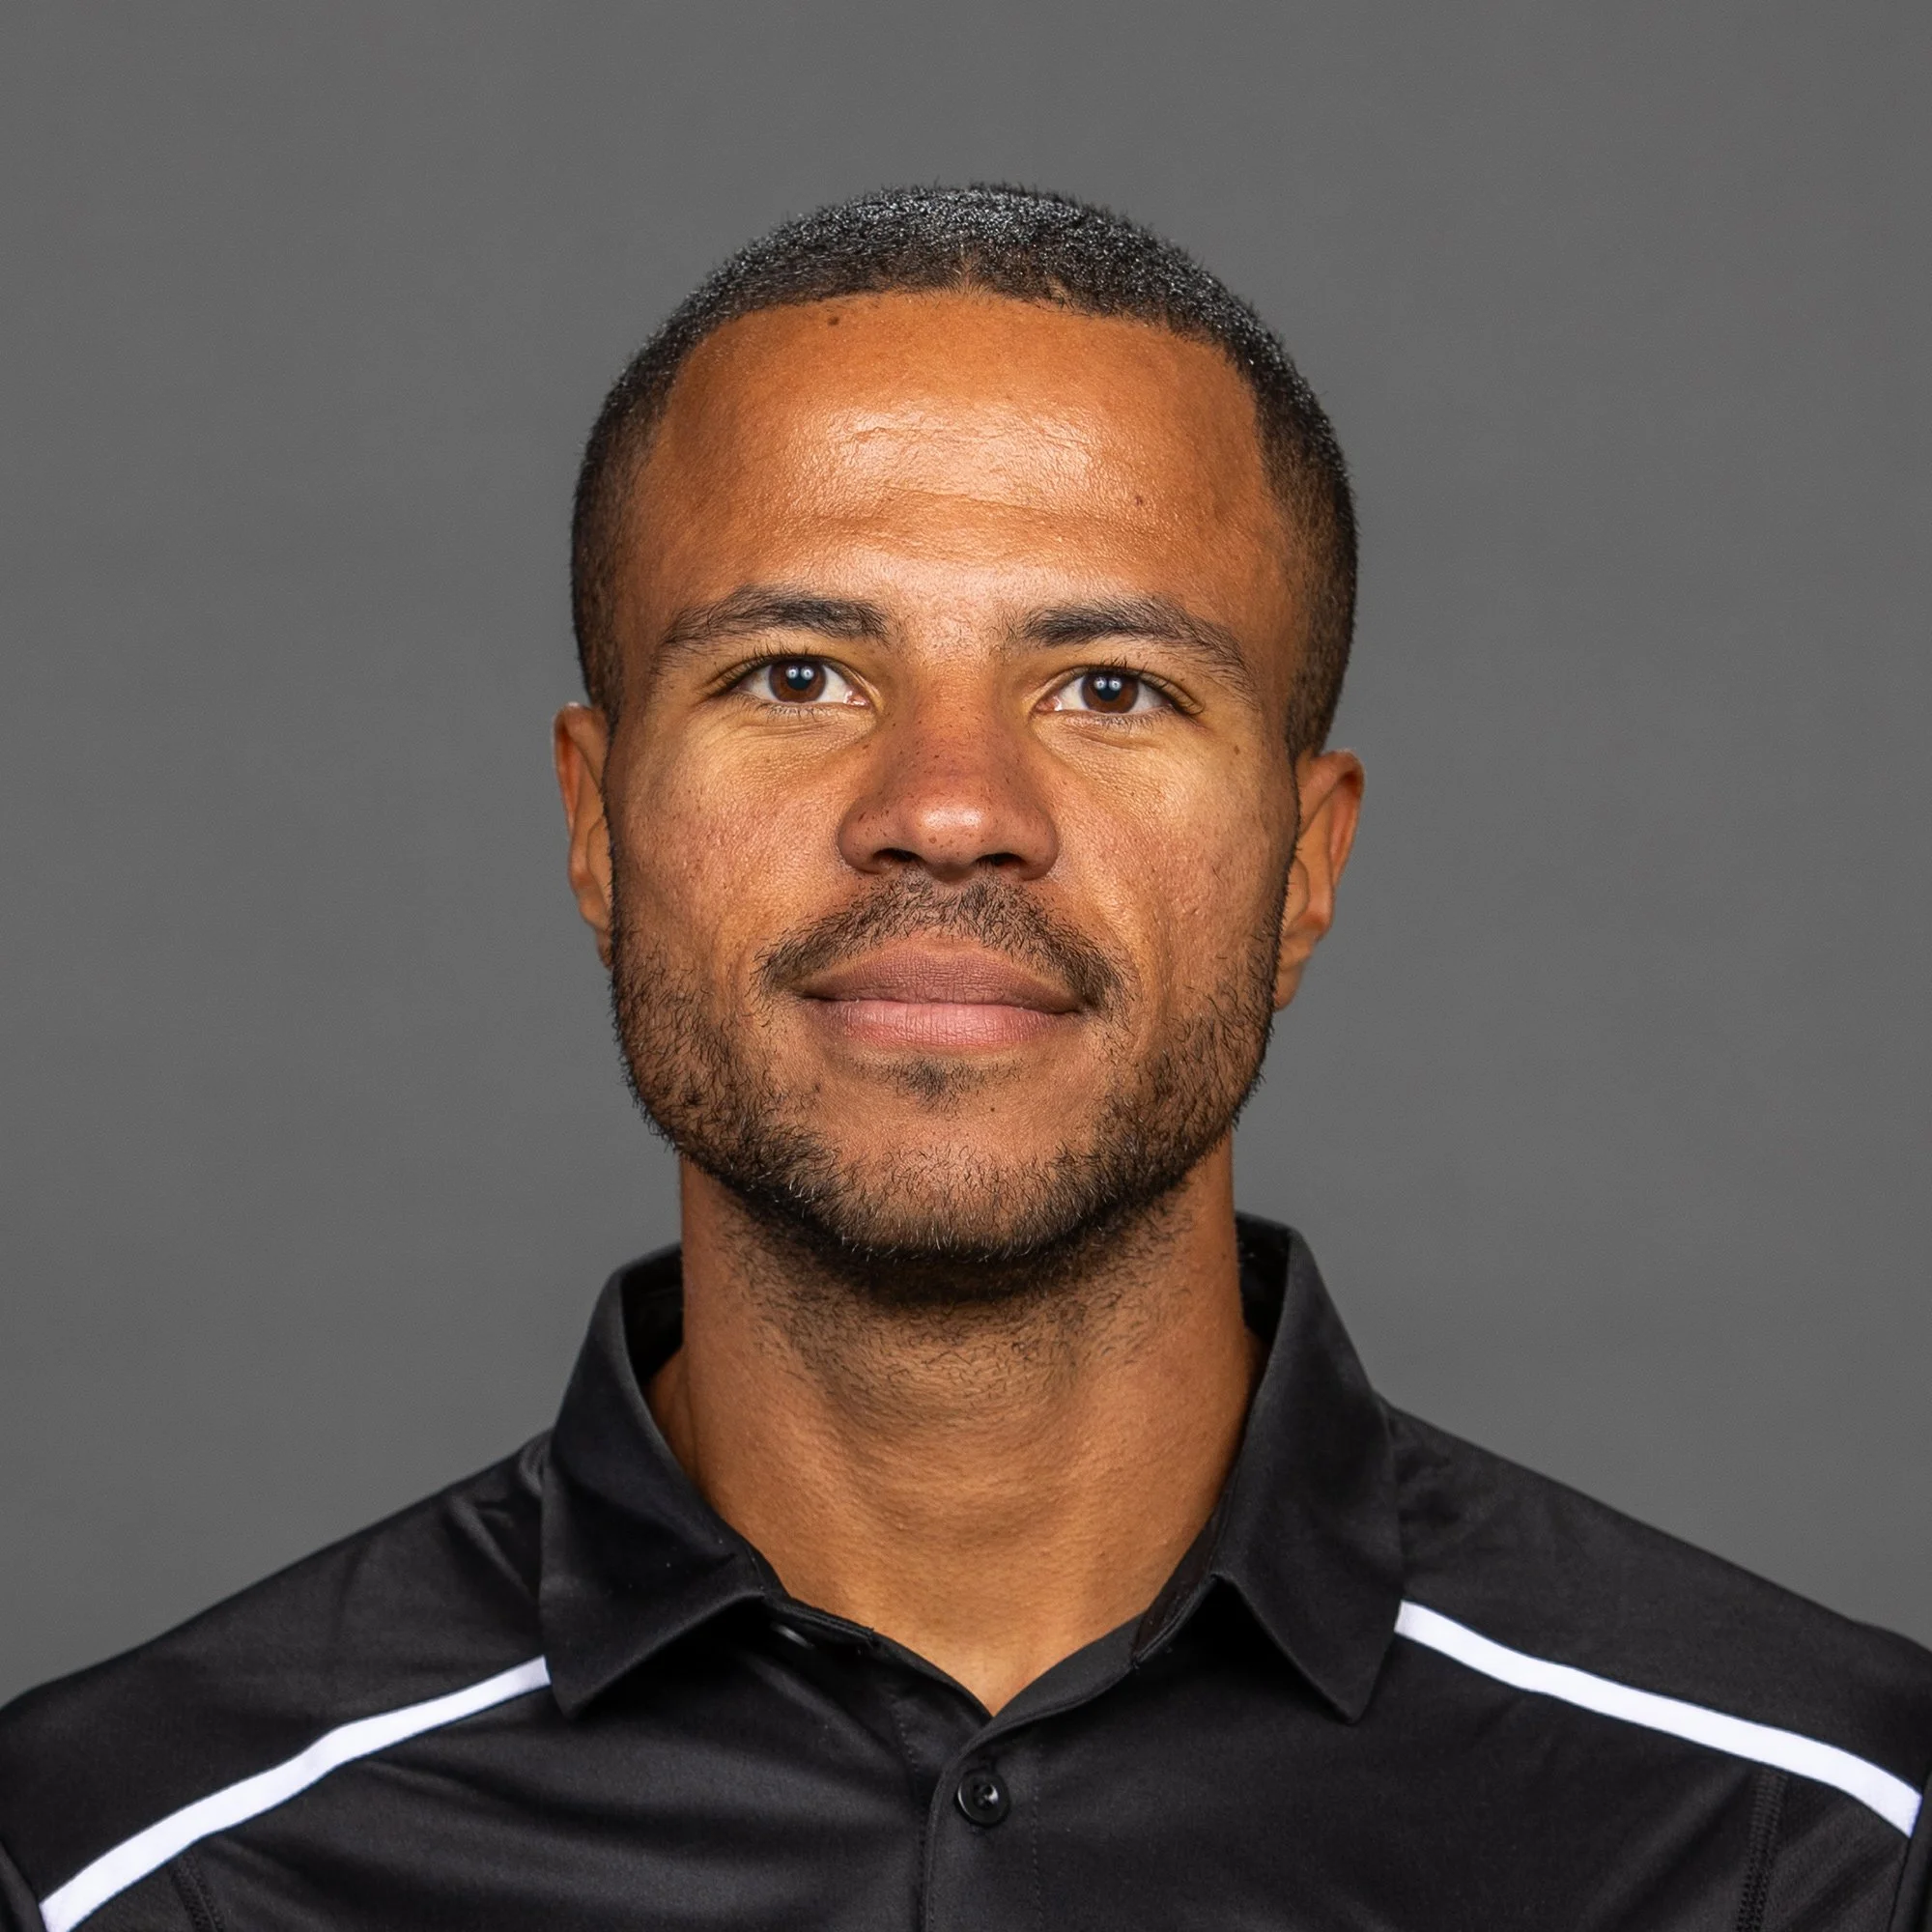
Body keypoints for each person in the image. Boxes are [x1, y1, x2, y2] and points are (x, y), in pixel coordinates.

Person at [1, 183, 1926, 1932]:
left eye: (1109, 688)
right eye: (795, 675)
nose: (945, 809)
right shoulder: (123, 1870)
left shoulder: (1821, 1848)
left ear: (1305, 865)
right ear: (596, 825)